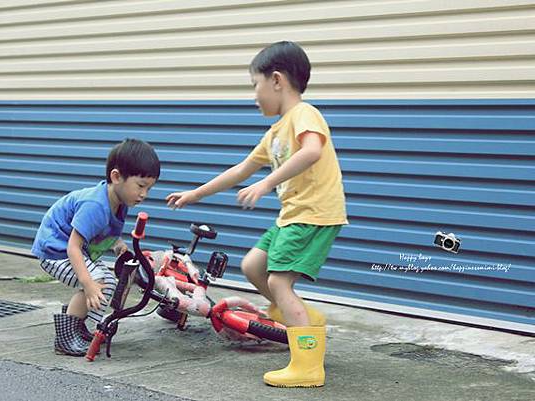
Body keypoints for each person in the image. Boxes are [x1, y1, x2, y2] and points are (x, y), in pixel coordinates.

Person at [166, 41, 347, 387]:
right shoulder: (276, 131)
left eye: (255, 85)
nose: (253, 96)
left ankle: (308, 365)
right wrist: (195, 194)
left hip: (313, 213)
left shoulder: (305, 114)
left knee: (280, 283)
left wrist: (266, 185)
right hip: (292, 214)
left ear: (276, 80)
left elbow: (311, 151)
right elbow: (240, 170)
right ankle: (305, 320)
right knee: (253, 266)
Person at [32, 139, 160, 356]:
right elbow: (73, 246)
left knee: (107, 281)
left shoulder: (119, 202)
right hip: (56, 251)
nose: (144, 194)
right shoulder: (95, 206)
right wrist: (88, 283)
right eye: (140, 186)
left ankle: (77, 327)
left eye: (149, 188)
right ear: (116, 177)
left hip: (74, 249)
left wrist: (118, 245)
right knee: (97, 282)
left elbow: (106, 231)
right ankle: (65, 339)